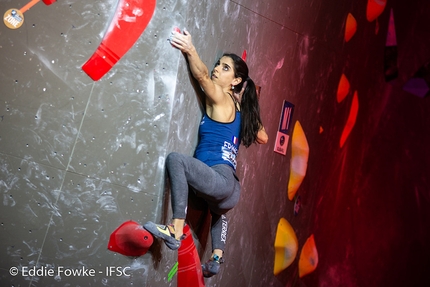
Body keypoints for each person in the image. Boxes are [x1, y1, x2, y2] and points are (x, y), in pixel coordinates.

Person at [144, 28, 268, 278]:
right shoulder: (238, 106)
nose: (216, 69)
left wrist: (189, 48)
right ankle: (217, 257)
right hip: (230, 190)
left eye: (224, 68)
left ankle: (175, 230)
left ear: (235, 81)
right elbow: (263, 137)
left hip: (219, 179)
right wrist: (248, 101)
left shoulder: (222, 98)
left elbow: (201, 75)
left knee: (176, 160)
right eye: (218, 64)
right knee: (217, 211)